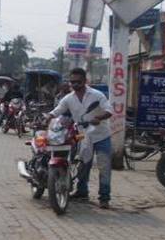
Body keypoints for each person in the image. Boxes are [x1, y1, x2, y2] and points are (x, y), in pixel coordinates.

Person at [46, 68, 114, 209]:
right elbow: (58, 110)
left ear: (85, 81)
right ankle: (82, 192)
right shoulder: (69, 98)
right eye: (73, 82)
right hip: (82, 135)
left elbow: (109, 110)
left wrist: (99, 117)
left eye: (78, 82)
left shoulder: (97, 95)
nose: (75, 84)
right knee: (82, 164)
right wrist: (48, 117)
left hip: (101, 135)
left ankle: (104, 198)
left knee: (104, 167)